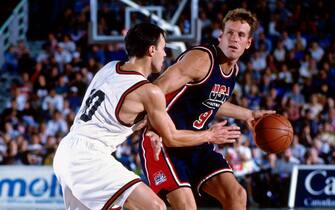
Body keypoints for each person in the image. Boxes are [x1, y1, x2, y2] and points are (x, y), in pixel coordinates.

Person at [53, 23, 241, 210]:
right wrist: (210, 135)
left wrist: (149, 125)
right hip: (89, 157)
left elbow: (117, 114)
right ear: (152, 50)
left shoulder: (109, 68)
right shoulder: (148, 92)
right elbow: (172, 138)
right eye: (163, 48)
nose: (165, 54)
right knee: (155, 207)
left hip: (66, 152)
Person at [140, 9, 275, 210]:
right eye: (230, 33)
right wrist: (152, 127)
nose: (234, 39)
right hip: (165, 141)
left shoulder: (233, 70)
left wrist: (249, 114)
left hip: (198, 141)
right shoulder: (202, 59)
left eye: (241, 35)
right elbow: (154, 90)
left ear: (248, 43)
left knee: (237, 195)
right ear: (220, 36)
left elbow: (211, 101)